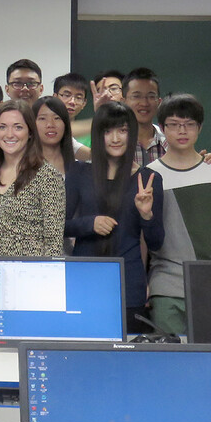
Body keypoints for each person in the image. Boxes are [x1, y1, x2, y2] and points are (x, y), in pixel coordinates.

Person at [66, 101, 163, 332]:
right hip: (84, 279)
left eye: (123, 130)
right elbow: (61, 226)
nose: (115, 138)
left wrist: (146, 214)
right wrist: (90, 223)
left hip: (128, 284)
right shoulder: (79, 172)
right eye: (107, 131)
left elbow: (157, 242)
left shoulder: (148, 179)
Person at [145, 94, 211, 336]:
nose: (182, 131)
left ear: (200, 128)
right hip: (166, 283)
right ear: (163, 129)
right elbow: (143, 232)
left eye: (189, 124)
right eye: (174, 125)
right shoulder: (150, 175)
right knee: (169, 360)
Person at [0, 101, 64, 331]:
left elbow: (53, 244)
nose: (9, 134)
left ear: (30, 133)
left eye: (18, 127)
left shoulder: (47, 176)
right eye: (2, 127)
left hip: (31, 282)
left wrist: (47, 294)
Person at [122, 67, 166, 167]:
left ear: (159, 102)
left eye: (151, 96)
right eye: (136, 96)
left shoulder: (170, 141)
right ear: (123, 101)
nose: (144, 103)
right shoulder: (113, 142)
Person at [34, 96, 81, 177]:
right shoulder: (22, 167)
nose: (50, 124)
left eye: (57, 118)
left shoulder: (80, 170)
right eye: (42, 118)